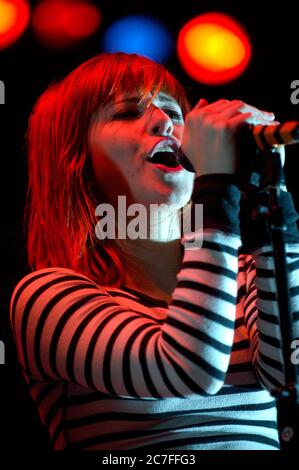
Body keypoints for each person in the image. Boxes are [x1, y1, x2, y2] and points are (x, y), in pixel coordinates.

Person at [10, 52, 299, 450]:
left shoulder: (245, 274)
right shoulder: (47, 297)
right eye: (128, 112)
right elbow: (184, 370)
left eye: (173, 111)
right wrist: (214, 191)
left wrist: (273, 188)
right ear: (76, 159)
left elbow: (292, 371)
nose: (165, 121)